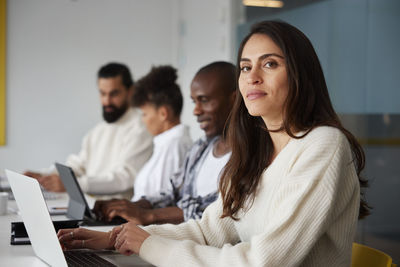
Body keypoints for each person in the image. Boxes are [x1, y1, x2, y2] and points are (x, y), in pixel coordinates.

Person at [59, 20, 370, 265]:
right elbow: (208, 231)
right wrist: (118, 238)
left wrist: (150, 246)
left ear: (301, 75)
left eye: (270, 64)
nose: (252, 76)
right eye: (246, 67)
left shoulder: (323, 145)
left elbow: (263, 263)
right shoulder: (256, 150)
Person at [92, 61, 236, 225]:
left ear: (235, 100)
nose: (196, 111)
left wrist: (147, 215)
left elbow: (215, 209)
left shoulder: (250, 157)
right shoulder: (200, 148)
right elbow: (172, 192)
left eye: (204, 100)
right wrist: (130, 206)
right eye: (194, 102)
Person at [25, 63, 153, 199]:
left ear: (130, 91)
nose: (107, 101)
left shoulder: (141, 128)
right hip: (92, 208)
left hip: (119, 215)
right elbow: (78, 166)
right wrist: (44, 176)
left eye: (114, 94)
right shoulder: (98, 131)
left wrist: (73, 185)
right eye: (102, 93)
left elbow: (124, 178)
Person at [123, 65, 193, 201]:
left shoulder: (175, 145)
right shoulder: (166, 144)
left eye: (144, 114)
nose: (142, 120)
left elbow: (161, 202)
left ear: (163, 113)